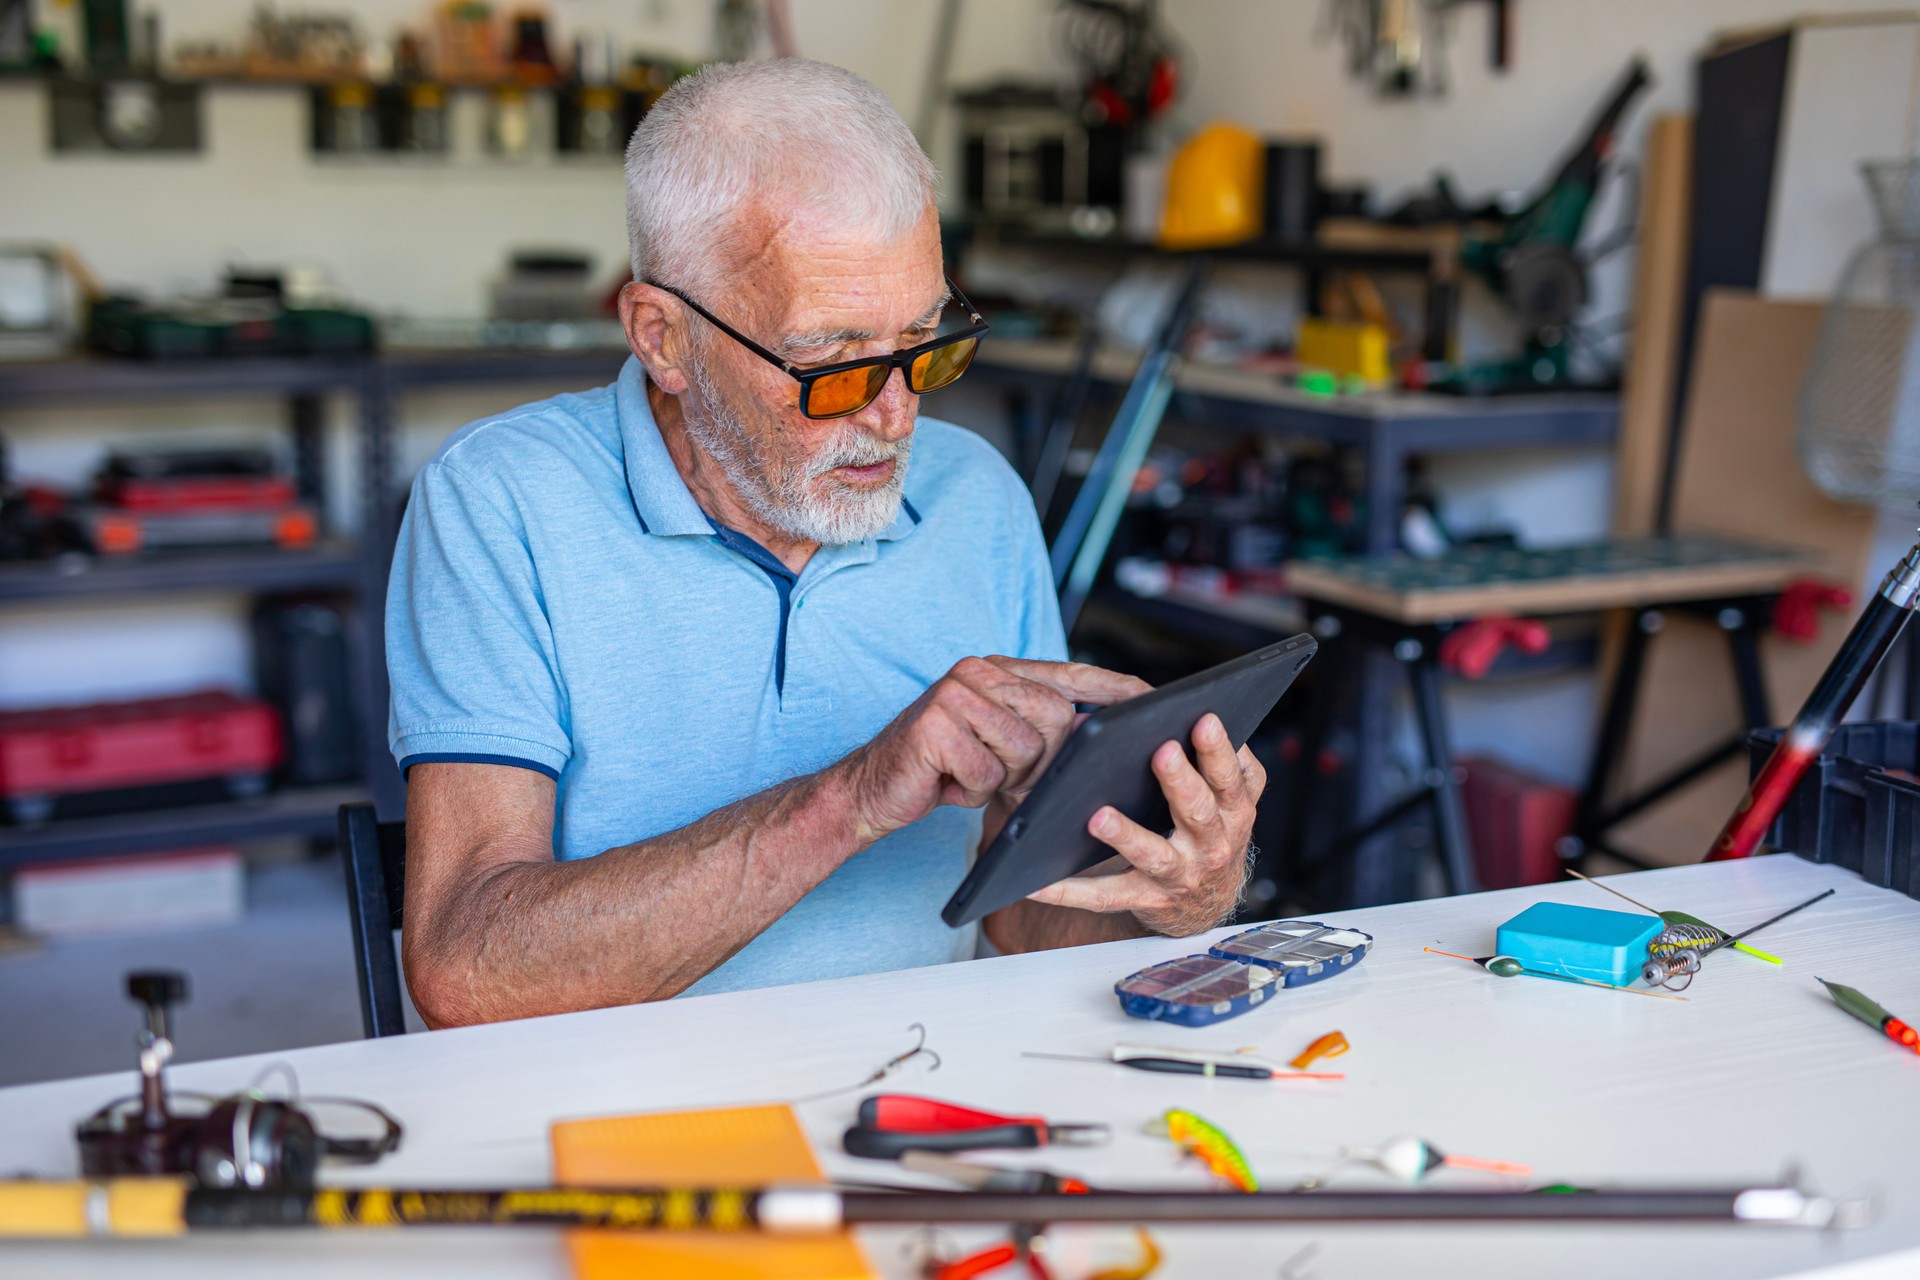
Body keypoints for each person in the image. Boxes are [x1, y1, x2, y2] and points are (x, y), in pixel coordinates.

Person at [387, 58, 1265, 1028]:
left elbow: (1018, 918)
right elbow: (465, 970)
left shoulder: (975, 497)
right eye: (832, 365)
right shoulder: (501, 502)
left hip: (912, 1079)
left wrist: (1171, 895)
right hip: (621, 1101)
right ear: (663, 337)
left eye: (925, 344)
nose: (895, 417)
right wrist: (849, 799)